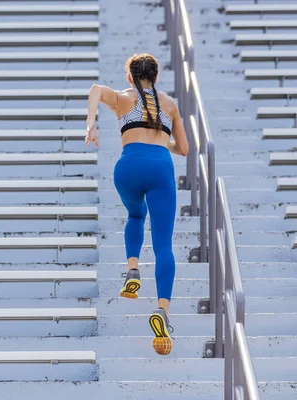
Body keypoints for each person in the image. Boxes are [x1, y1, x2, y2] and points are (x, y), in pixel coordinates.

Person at [85, 53, 189, 355]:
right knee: (163, 245)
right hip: (159, 166)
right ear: (155, 77)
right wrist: (161, 138)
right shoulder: (169, 105)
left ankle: (132, 269)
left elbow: (95, 89)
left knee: (134, 215)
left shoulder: (122, 98)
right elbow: (183, 149)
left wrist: (91, 124)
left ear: (130, 76)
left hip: (127, 167)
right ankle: (162, 311)